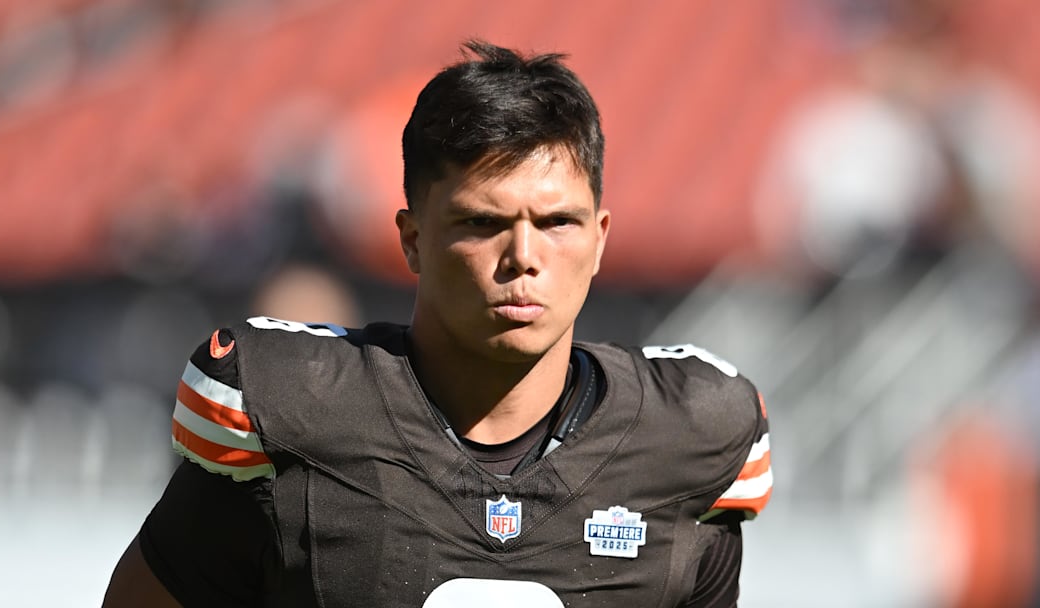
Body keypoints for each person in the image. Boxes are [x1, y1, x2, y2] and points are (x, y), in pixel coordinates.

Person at [103, 40, 772, 607]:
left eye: (556, 223)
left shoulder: (690, 436)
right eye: (483, 223)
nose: (524, 257)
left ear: (599, 240)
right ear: (414, 238)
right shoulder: (296, 418)